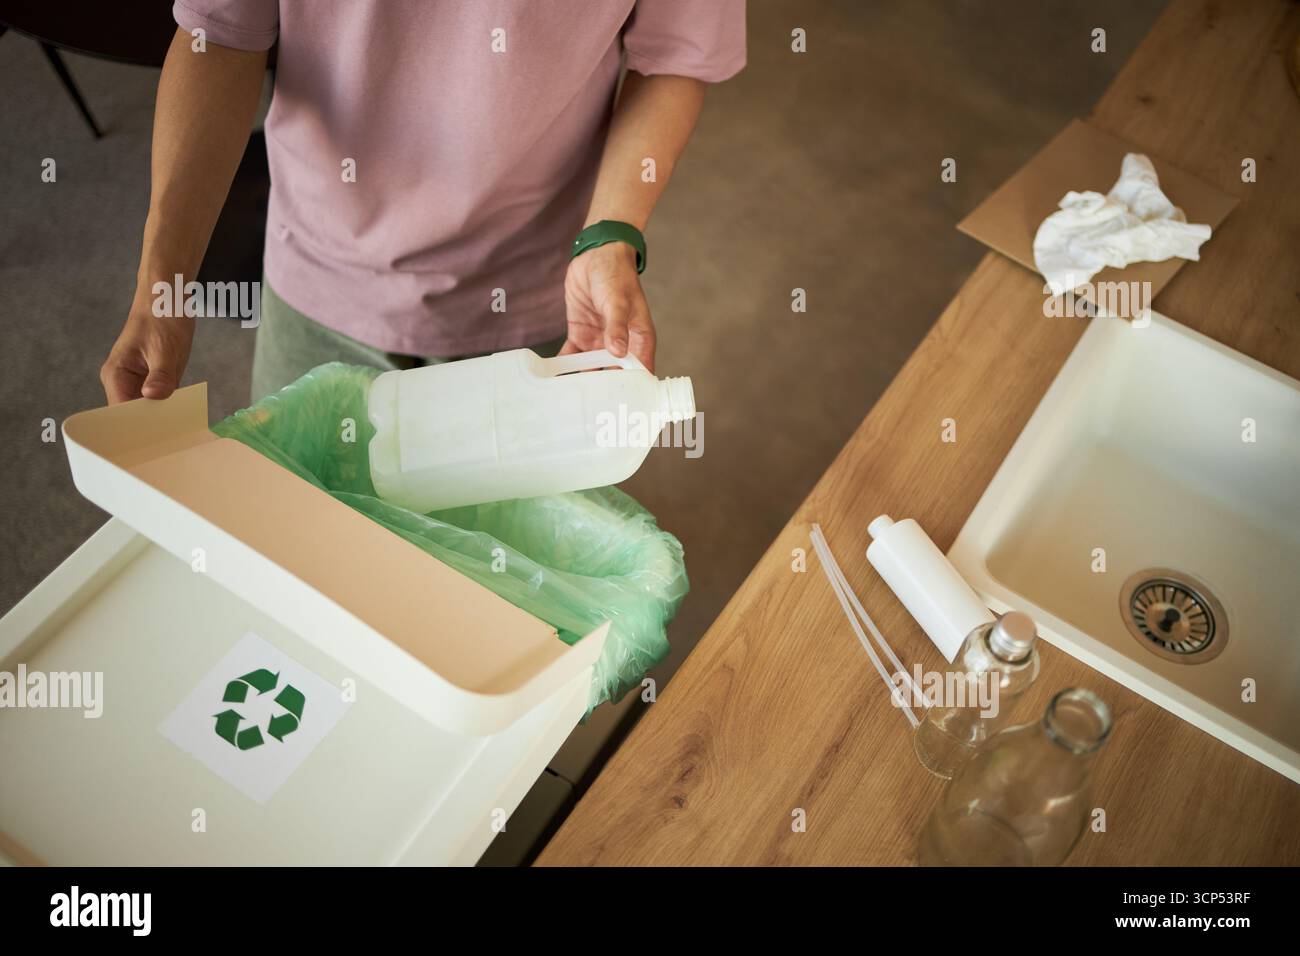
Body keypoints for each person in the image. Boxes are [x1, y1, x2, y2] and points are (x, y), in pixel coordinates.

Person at [101, 1, 746, 404]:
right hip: (320, 265)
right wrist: (164, 282)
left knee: (497, 584)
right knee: (309, 550)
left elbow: (671, 57)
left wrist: (610, 234)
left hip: (537, 281)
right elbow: (223, 32)